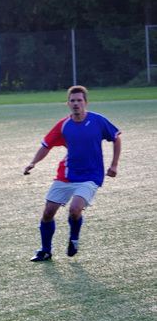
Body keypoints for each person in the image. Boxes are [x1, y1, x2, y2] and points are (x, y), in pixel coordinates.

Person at [24, 85, 122, 261]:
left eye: (79, 100)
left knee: (75, 210)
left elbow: (116, 137)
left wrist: (114, 165)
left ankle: (74, 239)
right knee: (48, 213)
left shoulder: (98, 121)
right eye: (72, 100)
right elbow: (46, 146)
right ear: (68, 103)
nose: (76, 103)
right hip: (66, 175)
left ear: (85, 102)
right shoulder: (64, 125)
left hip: (91, 176)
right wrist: (33, 162)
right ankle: (45, 250)